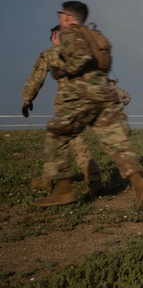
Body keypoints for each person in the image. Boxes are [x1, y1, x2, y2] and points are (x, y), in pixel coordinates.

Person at [34, 1, 143, 209]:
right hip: (105, 95)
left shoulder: (71, 33)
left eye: (61, 14)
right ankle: (139, 181)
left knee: (57, 134)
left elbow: (82, 58)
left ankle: (62, 190)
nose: (59, 18)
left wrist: (61, 69)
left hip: (83, 95)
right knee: (116, 142)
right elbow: (103, 64)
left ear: (69, 17)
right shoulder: (97, 36)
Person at [21, 25, 102, 195]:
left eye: (51, 37)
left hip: (66, 105)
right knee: (66, 141)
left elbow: (37, 77)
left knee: (66, 142)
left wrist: (28, 99)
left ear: (57, 36)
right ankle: (51, 181)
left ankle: (85, 181)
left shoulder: (51, 54)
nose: (51, 41)